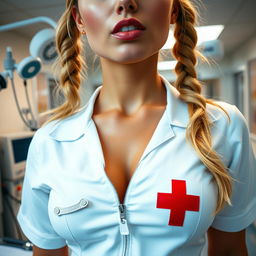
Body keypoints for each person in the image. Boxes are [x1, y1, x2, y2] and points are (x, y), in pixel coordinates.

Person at [17, 0, 256, 255]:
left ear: (173, 9)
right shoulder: (50, 142)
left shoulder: (221, 127)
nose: (124, 3)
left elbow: (229, 250)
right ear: (79, 19)